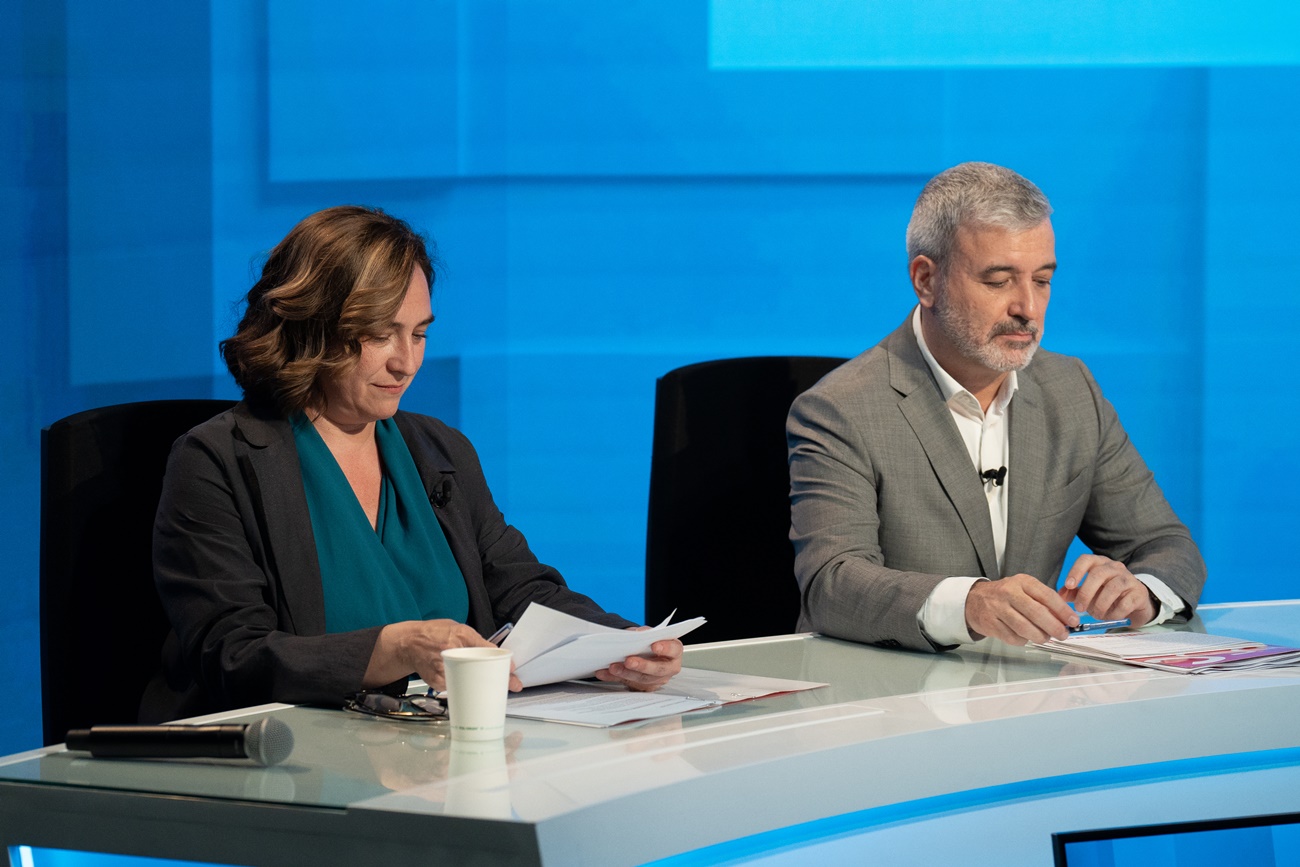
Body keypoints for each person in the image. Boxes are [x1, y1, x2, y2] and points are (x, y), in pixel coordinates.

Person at [142, 205, 681, 722]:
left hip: (435, 752)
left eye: (419, 333)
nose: (406, 362)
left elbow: (521, 590)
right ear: (311, 326)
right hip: (290, 764)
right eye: (379, 334)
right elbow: (231, 656)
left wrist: (623, 645)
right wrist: (395, 648)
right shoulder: (217, 460)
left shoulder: (439, 450)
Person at [787, 162, 1206, 652]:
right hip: (889, 700)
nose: (1027, 307)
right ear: (926, 280)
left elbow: (1165, 545)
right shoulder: (841, 409)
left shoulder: (1071, 389)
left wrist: (1143, 591)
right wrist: (970, 604)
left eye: (1042, 280)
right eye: (999, 280)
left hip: (1028, 696)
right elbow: (833, 584)